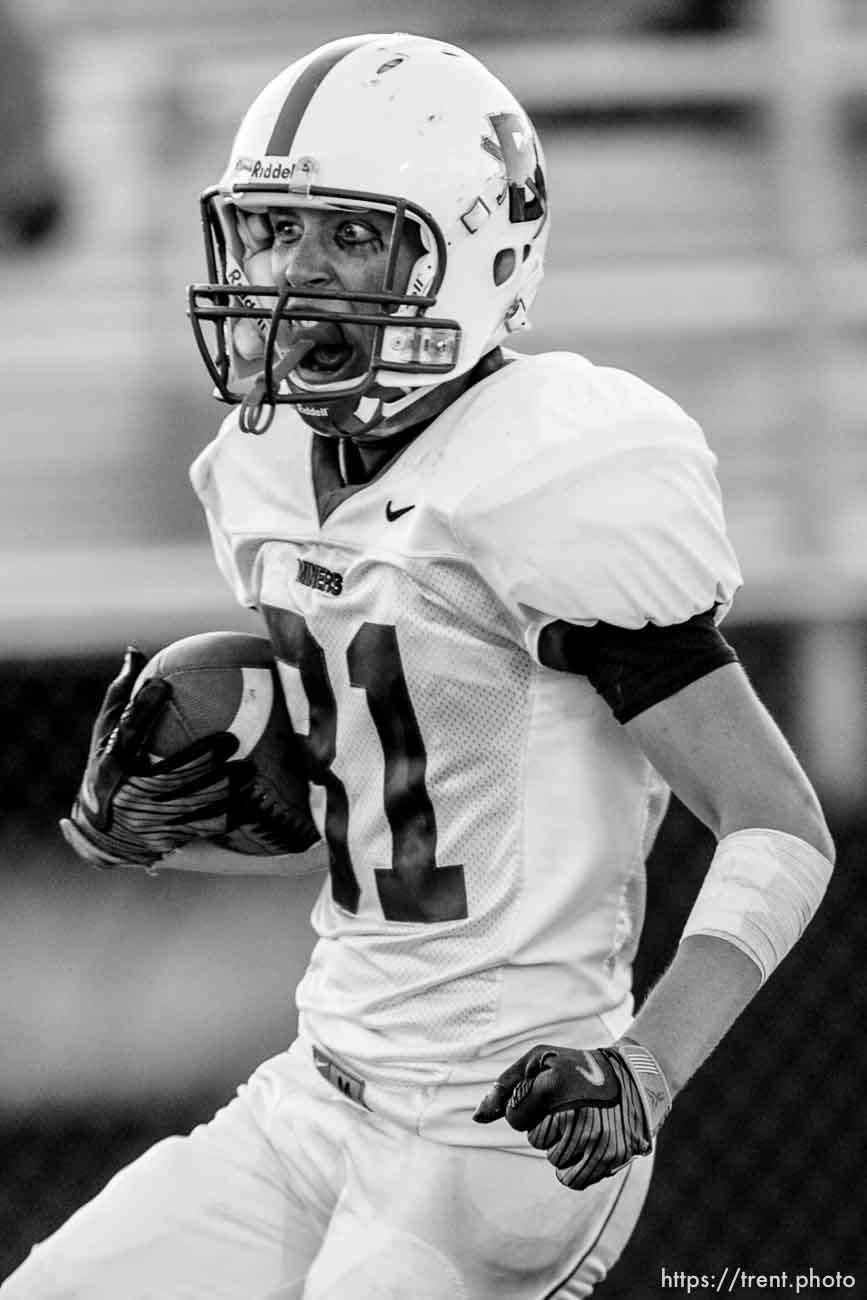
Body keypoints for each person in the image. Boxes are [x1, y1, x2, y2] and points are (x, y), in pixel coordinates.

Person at [5, 32, 835, 1300]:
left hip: (500, 1126)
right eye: (277, 232)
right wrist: (171, 833)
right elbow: (397, 824)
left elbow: (780, 824)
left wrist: (646, 1070)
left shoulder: (546, 469)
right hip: (318, 1090)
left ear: (471, 250)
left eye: (349, 237)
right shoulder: (272, 469)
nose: (294, 274)